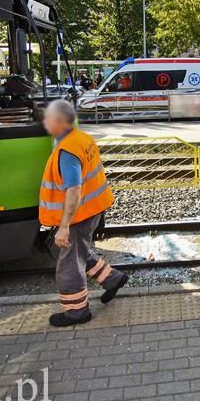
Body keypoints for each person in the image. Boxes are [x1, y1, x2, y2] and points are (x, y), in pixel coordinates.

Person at [40, 100, 129, 327]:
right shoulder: (81, 137)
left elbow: (75, 189)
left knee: (69, 264)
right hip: (93, 208)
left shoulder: (67, 151)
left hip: (80, 214)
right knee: (78, 252)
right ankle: (113, 279)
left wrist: (63, 226)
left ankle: (77, 312)